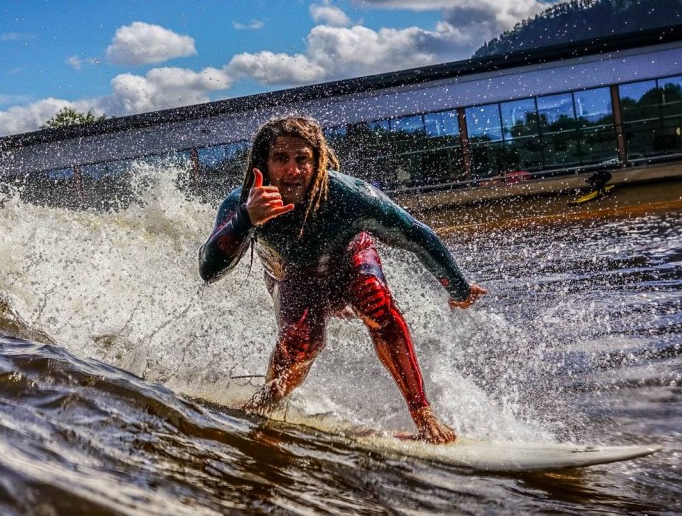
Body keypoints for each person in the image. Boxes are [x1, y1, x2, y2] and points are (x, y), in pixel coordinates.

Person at [198, 116, 487, 444]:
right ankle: (267, 402)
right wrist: (245, 221)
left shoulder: (351, 196)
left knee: (376, 301)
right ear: (262, 164)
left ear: (317, 161)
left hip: (351, 264)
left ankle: (424, 416)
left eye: (302, 159)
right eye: (281, 159)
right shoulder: (241, 205)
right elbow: (209, 271)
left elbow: (417, 236)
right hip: (293, 277)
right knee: (301, 341)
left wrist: (459, 288)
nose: (293, 171)